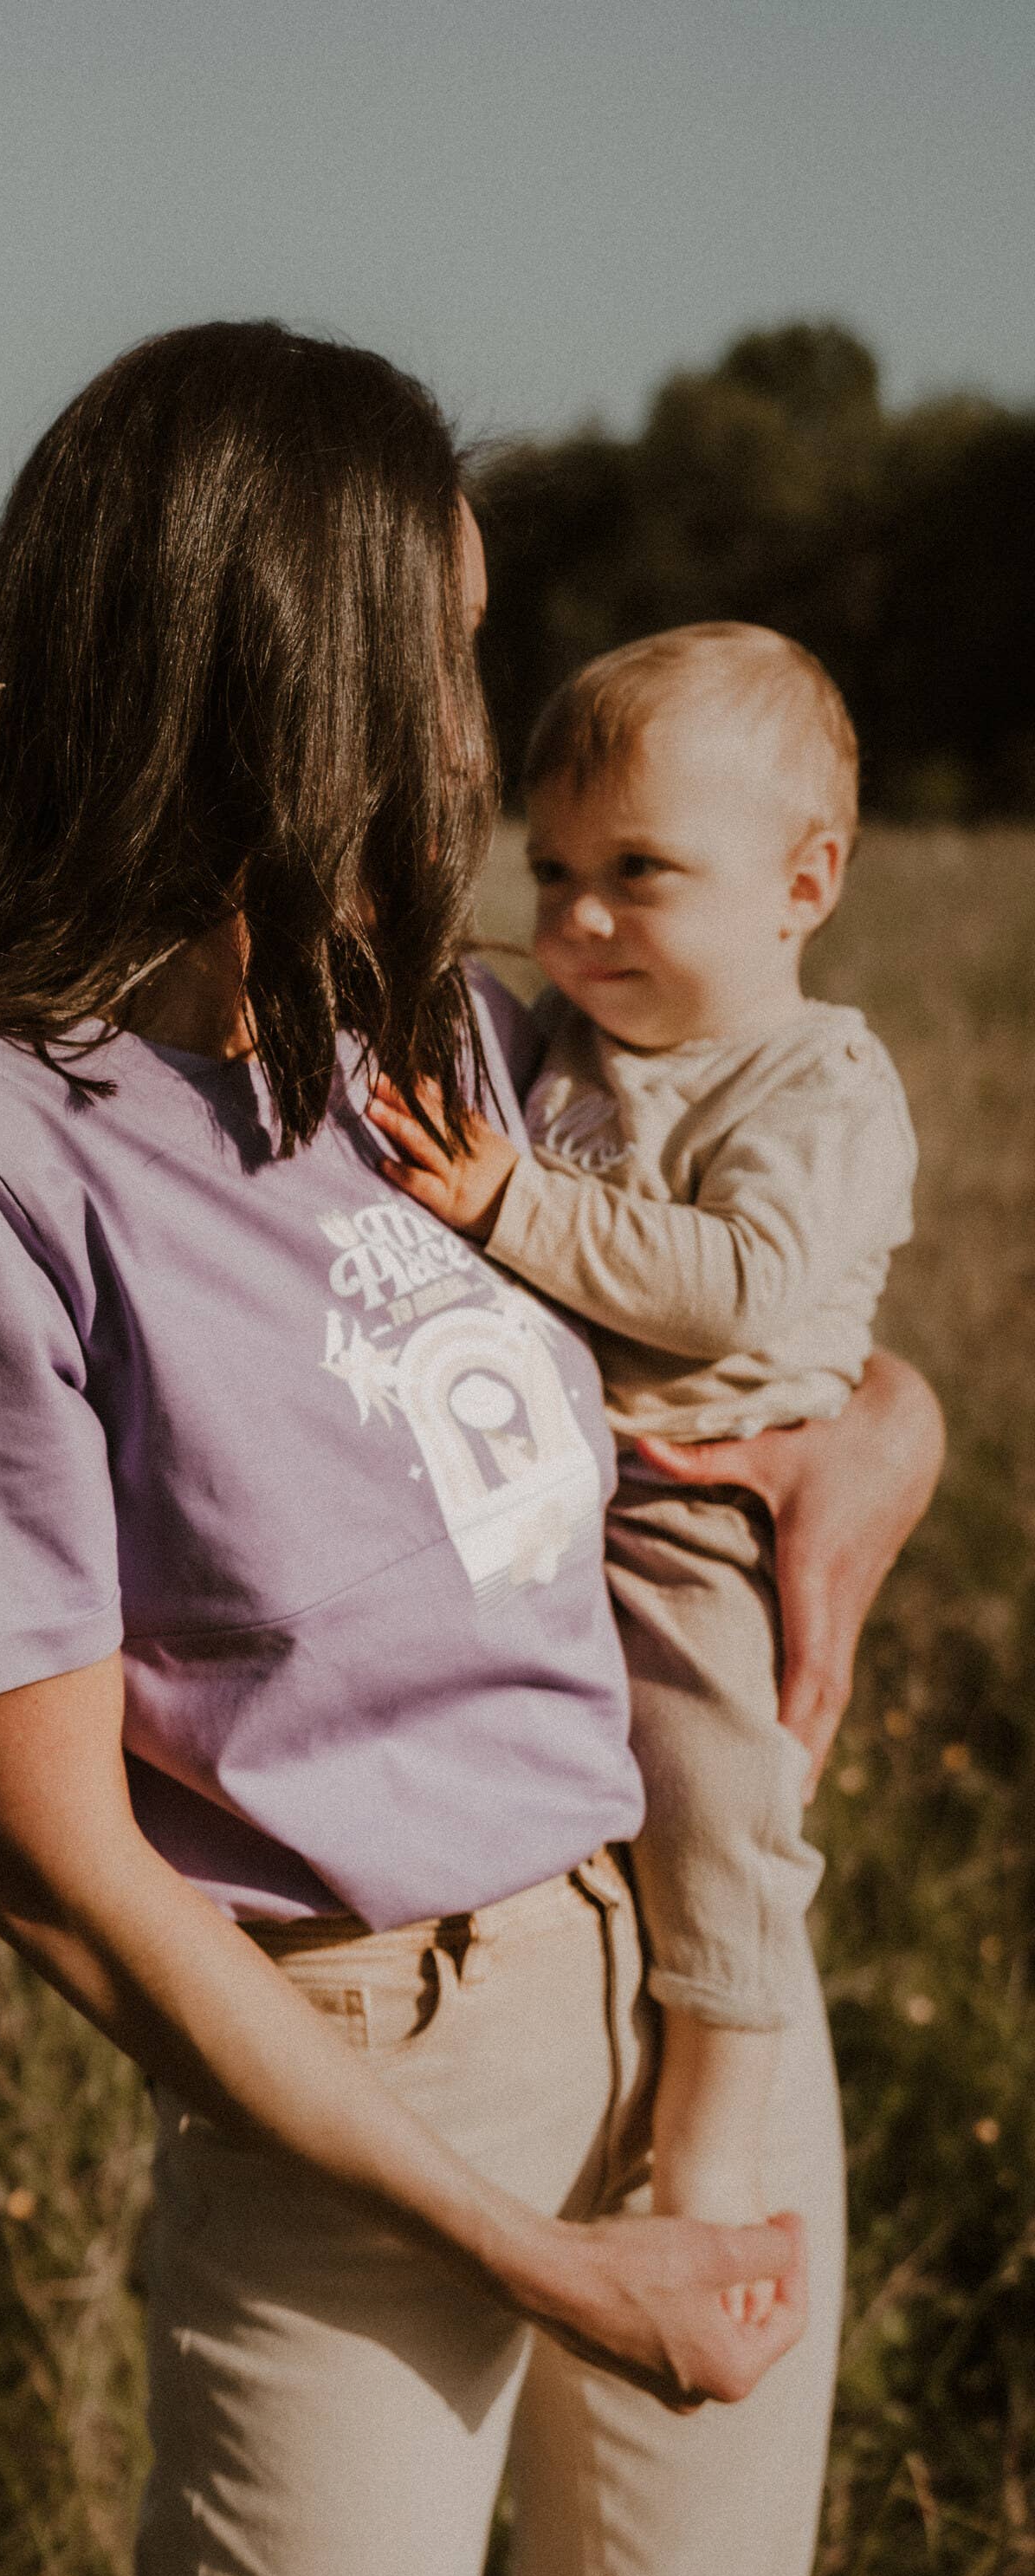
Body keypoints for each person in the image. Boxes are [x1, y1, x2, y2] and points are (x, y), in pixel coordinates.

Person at [0, 323, 942, 2576]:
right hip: (363, 2078)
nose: (474, 740)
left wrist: (887, 1428)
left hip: (693, 1960)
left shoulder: (449, 1028)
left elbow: (757, 1298)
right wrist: (527, 2247)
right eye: (446, 655)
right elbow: (56, 1868)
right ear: (281, 670)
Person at [366, 623, 917, 2305]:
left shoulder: (809, 1077)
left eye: (639, 873)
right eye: (552, 872)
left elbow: (735, 1288)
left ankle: (714, 2152)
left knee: (719, 1793)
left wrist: (513, 1208)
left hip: (696, 1491)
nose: (580, 917)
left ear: (801, 884)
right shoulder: (570, 1040)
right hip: (564, 1470)